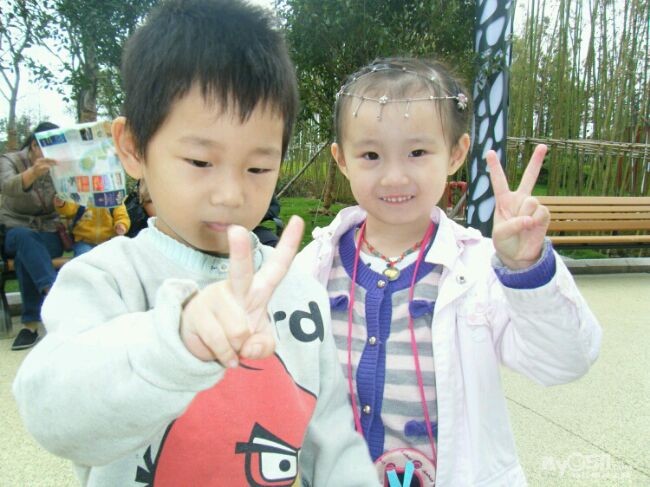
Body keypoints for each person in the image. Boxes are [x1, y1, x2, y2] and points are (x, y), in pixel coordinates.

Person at [13, 1, 378, 485]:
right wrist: (174, 342)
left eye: (258, 168)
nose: (230, 194)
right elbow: (52, 415)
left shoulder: (298, 291)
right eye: (201, 162)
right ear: (133, 147)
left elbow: (333, 445)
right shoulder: (108, 279)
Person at [295, 57, 602, 486]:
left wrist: (526, 269)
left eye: (418, 153)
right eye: (371, 155)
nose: (394, 176)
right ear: (342, 159)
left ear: (456, 153)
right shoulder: (312, 266)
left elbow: (565, 361)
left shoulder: (478, 270)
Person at [0, 121, 64, 351]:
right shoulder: (10, 160)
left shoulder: (61, 163)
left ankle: (30, 326)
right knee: (25, 239)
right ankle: (54, 294)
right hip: (14, 228)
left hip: (47, 229)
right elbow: (6, 186)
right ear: (35, 145)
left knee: (25, 256)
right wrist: (33, 173)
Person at [53, 196, 131, 256]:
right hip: (84, 241)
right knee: (85, 259)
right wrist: (62, 205)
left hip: (108, 242)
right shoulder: (81, 195)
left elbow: (122, 216)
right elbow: (69, 210)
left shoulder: (113, 197)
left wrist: (121, 225)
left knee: (110, 261)